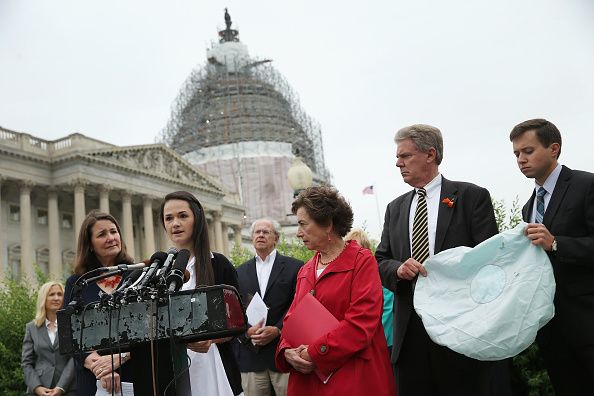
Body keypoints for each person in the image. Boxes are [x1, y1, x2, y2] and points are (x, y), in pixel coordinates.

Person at [375, 124, 499, 396]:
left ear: (430, 154)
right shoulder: (395, 208)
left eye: (405, 156)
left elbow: (490, 260)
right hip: (410, 333)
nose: (398, 163)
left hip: (460, 327)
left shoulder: (471, 197)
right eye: (398, 157)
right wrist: (398, 269)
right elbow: (380, 260)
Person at [275, 186, 395, 395]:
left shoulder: (362, 261)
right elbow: (291, 321)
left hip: (352, 379)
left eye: (303, 224)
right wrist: (286, 351)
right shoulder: (305, 270)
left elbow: (361, 323)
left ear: (328, 223)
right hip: (307, 381)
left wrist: (315, 353)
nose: (298, 232)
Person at [509, 118, 594, 394]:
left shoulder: (586, 184)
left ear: (554, 149)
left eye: (528, 151)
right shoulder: (528, 207)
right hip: (550, 327)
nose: (521, 159)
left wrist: (557, 243)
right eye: (516, 154)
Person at [159, 190, 243, 396]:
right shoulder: (160, 272)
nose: (175, 223)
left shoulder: (219, 264)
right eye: (168, 218)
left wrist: (211, 339)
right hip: (173, 371)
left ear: (197, 219)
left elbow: (238, 321)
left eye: (182, 216)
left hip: (214, 366)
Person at [63, 210, 134, 395]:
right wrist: (101, 368)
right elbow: (69, 333)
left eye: (113, 231)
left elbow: (153, 328)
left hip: (135, 373)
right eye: (102, 234)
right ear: (90, 245)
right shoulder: (77, 283)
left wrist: (120, 358)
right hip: (92, 380)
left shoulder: (138, 277)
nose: (111, 238)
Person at [236, 218, 303, 396]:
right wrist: (246, 331)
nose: (261, 235)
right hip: (252, 354)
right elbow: (234, 309)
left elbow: (299, 303)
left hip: (283, 352)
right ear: (252, 238)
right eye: (257, 232)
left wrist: (278, 329)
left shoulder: (295, 267)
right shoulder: (239, 272)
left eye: (266, 232)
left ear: (276, 238)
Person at [345, 228, 394, 358]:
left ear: (368, 252)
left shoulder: (381, 276)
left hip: (385, 343)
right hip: (362, 344)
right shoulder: (348, 279)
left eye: (358, 250)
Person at [22, 281, 76, 396]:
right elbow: (26, 363)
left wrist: (61, 387)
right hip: (39, 389)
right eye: (51, 294)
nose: (56, 298)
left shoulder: (71, 324)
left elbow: (74, 358)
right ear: (43, 298)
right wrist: (37, 388)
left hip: (68, 389)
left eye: (60, 294)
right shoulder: (32, 328)